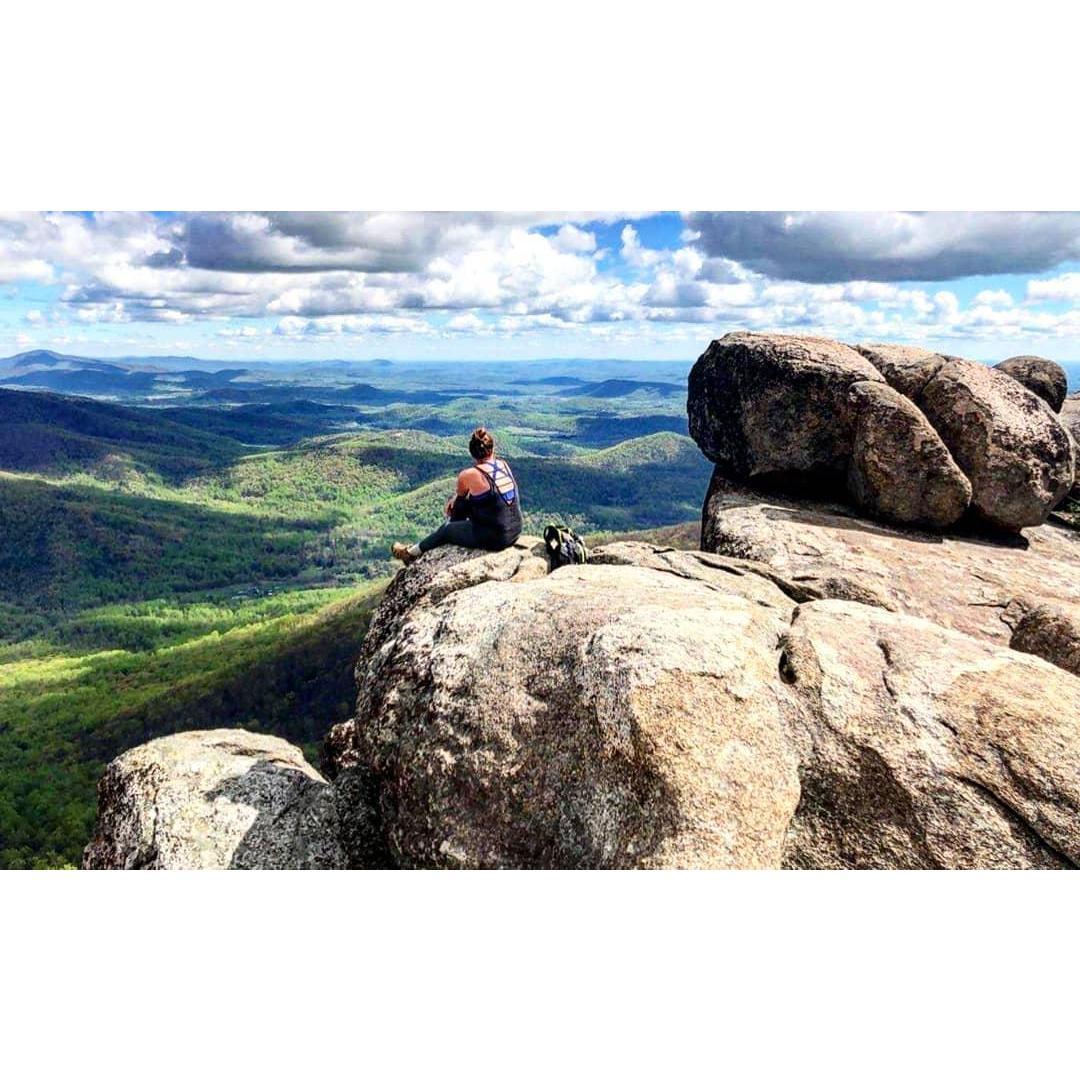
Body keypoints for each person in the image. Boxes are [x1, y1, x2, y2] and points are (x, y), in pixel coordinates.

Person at [392, 427, 522, 564]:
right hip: (515, 530)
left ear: (472, 453)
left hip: (496, 538)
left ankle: (410, 553)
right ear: (492, 449)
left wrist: (454, 503)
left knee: (447, 529)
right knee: (463, 503)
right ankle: (451, 533)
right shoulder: (503, 465)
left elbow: (459, 499)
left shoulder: (469, 474)